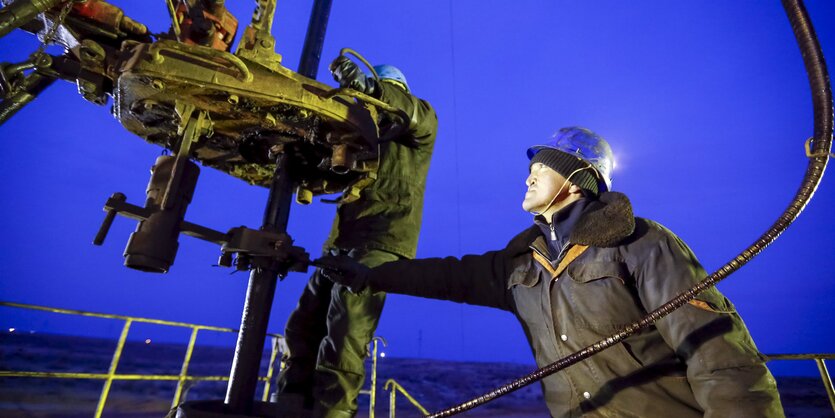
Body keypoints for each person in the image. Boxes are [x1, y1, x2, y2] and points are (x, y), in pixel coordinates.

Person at [317, 127, 784, 417]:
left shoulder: (643, 245)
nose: (528, 176)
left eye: (541, 168)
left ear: (576, 179)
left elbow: (719, 357)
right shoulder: (523, 264)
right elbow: (448, 276)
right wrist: (370, 274)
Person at [275, 55, 438, 418]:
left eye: (378, 96)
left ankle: (332, 414)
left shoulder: (417, 127)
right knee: (301, 327)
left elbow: (408, 111)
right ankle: (290, 405)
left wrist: (372, 90)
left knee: (345, 334)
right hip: (339, 245)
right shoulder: (358, 136)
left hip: (383, 242)